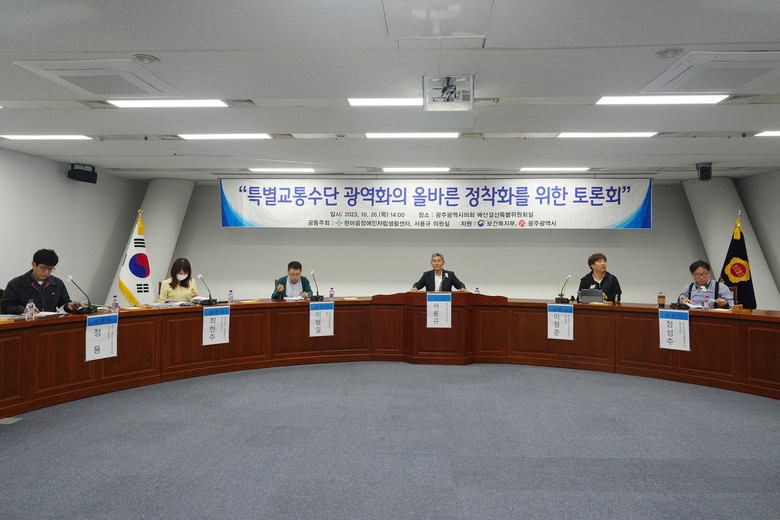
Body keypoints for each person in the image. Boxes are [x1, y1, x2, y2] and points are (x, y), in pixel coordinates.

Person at [1, 249, 82, 315]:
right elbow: (5, 307)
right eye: (43, 267)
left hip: (49, 323)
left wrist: (69, 306)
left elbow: (63, 303)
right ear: (33, 264)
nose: (46, 272)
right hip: (26, 324)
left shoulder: (57, 283)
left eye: (50, 269)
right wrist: (24, 310)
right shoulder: (16, 284)